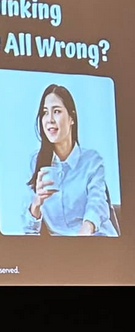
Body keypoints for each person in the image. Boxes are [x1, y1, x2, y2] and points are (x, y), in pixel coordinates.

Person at [21, 84, 117, 236]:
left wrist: (85, 231)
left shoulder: (92, 160)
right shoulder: (35, 162)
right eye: (45, 113)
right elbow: (28, 231)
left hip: (96, 241)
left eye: (57, 111)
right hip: (63, 253)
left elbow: (97, 204)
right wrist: (37, 202)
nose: (50, 120)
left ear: (71, 117)